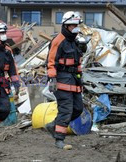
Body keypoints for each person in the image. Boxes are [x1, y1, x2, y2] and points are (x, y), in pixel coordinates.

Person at [45, 11, 87, 150]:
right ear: (66, 25)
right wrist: (52, 79)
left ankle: (53, 125)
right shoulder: (58, 40)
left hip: (74, 80)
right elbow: (50, 62)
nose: (76, 27)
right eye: (73, 25)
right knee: (66, 109)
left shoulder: (75, 41)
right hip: (61, 80)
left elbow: (77, 61)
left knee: (78, 109)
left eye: (77, 25)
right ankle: (59, 140)